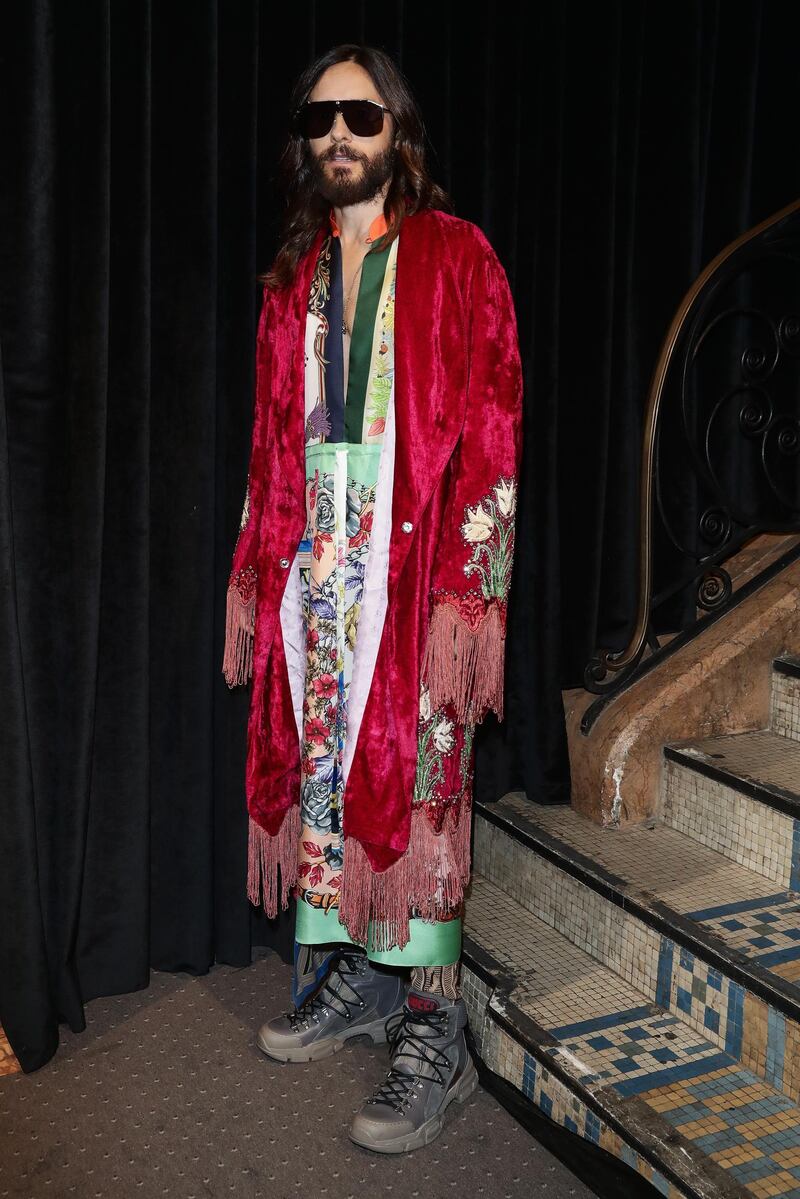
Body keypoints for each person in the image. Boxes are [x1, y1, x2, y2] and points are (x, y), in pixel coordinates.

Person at [223, 42, 522, 1155]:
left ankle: (434, 1025)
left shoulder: (455, 255)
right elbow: (265, 447)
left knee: (424, 785)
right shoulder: (290, 278)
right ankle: (357, 974)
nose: (336, 134)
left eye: (358, 113)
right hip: (318, 577)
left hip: (415, 574)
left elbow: (492, 426)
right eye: (317, 119)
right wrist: (259, 570)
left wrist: (464, 597)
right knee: (325, 778)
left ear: (398, 126)